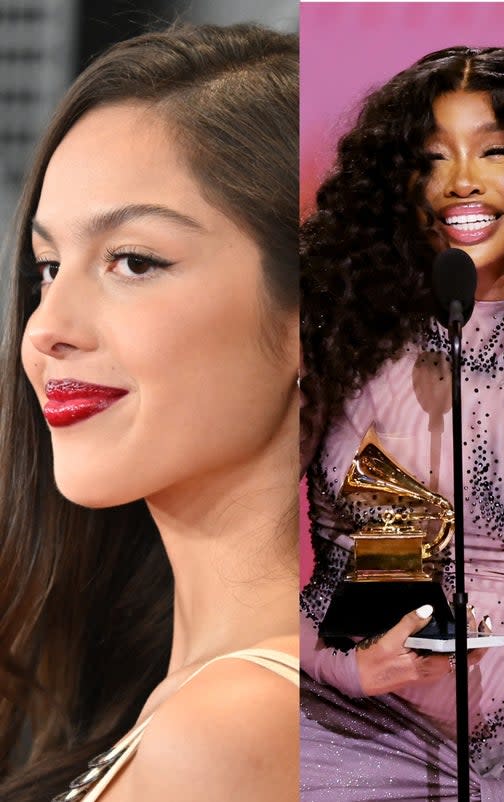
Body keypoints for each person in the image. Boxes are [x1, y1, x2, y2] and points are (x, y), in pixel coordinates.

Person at [0, 23, 300, 802]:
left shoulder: (241, 727)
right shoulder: (204, 702)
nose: (45, 329)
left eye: (133, 261)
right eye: (48, 268)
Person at [298, 46, 504, 798]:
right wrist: (344, 665)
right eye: (433, 158)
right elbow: (229, 551)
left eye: (495, 150)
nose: (462, 179)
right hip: (348, 737)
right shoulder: (340, 336)